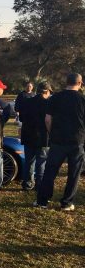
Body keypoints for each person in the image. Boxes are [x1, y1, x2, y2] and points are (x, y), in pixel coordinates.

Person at [35, 73, 85, 211]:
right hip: (77, 140)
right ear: (80, 84)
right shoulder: (82, 99)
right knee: (74, 174)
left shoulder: (55, 98)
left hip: (58, 140)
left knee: (50, 171)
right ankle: (67, 202)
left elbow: (47, 119)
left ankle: (42, 201)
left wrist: (52, 133)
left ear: (66, 82)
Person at [19, 82, 51, 191]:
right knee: (41, 162)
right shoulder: (48, 103)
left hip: (28, 135)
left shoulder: (27, 102)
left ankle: (27, 184)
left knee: (29, 161)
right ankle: (39, 184)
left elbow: (21, 118)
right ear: (46, 91)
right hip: (43, 136)